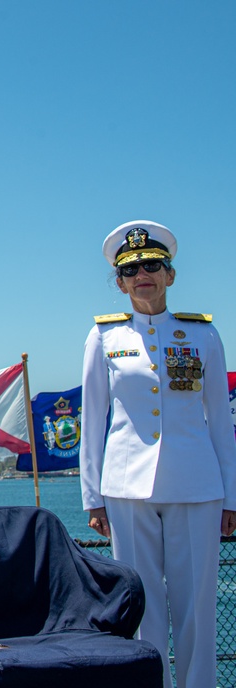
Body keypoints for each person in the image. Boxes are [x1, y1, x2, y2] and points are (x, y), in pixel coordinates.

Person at [80, 220, 236, 688]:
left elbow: (221, 423)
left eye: (152, 265)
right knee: (141, 605)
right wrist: (93, 496)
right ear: (120, 282)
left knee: (196, 608)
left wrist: (231, 496)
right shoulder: (103, 339)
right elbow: (93, 420)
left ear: (170, 274)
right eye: (129, 271)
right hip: (127, 489)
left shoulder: (204, 336)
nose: (141, 275)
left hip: (196, 486)